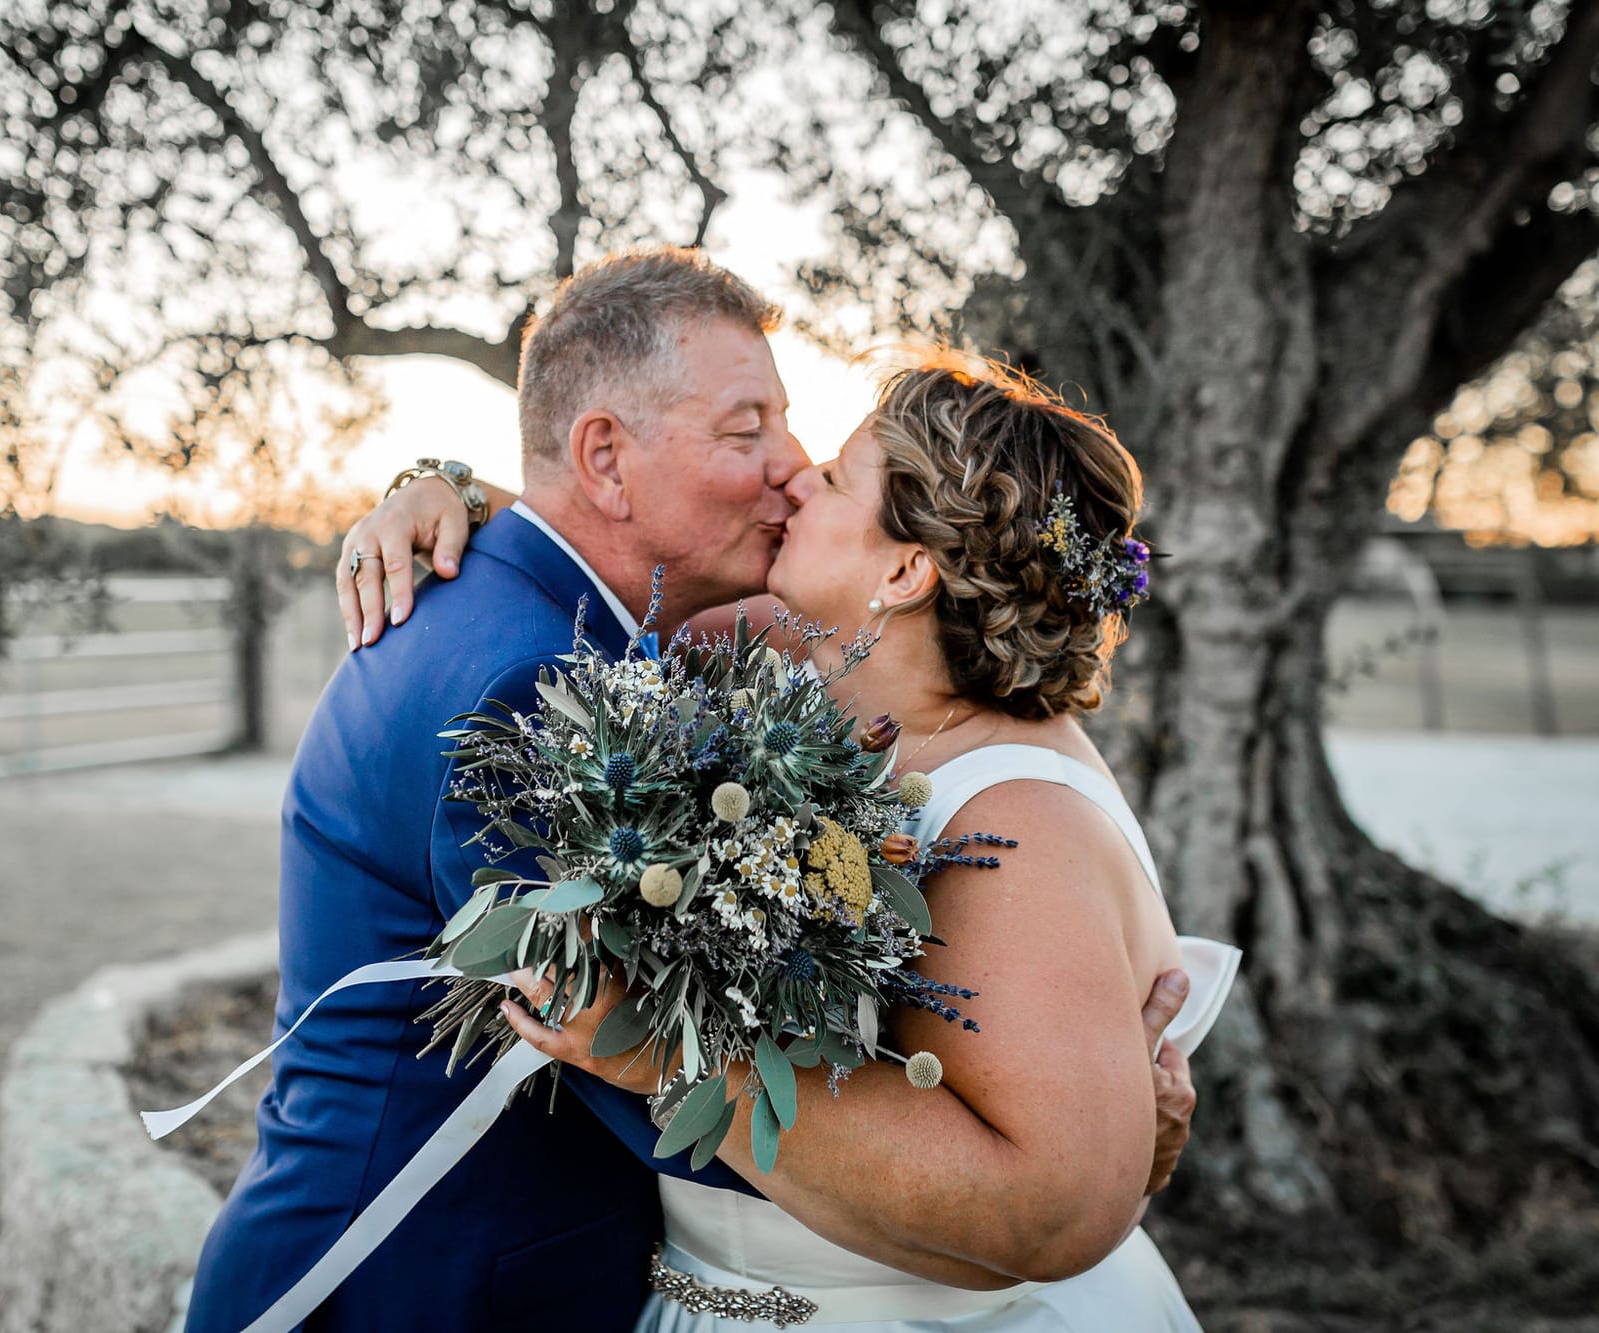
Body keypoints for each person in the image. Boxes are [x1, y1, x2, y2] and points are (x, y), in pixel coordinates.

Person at [183, 247, 1199, 1333]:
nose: (793, 466)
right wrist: (445, 485)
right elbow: (648, 1067)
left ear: (908, 572)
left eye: (807, 446)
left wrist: (1071, 1153)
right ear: (607, 457)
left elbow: (1019, 1185)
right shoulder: (538, 677)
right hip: (421, 1283)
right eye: (745, 428)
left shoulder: (825, 692)